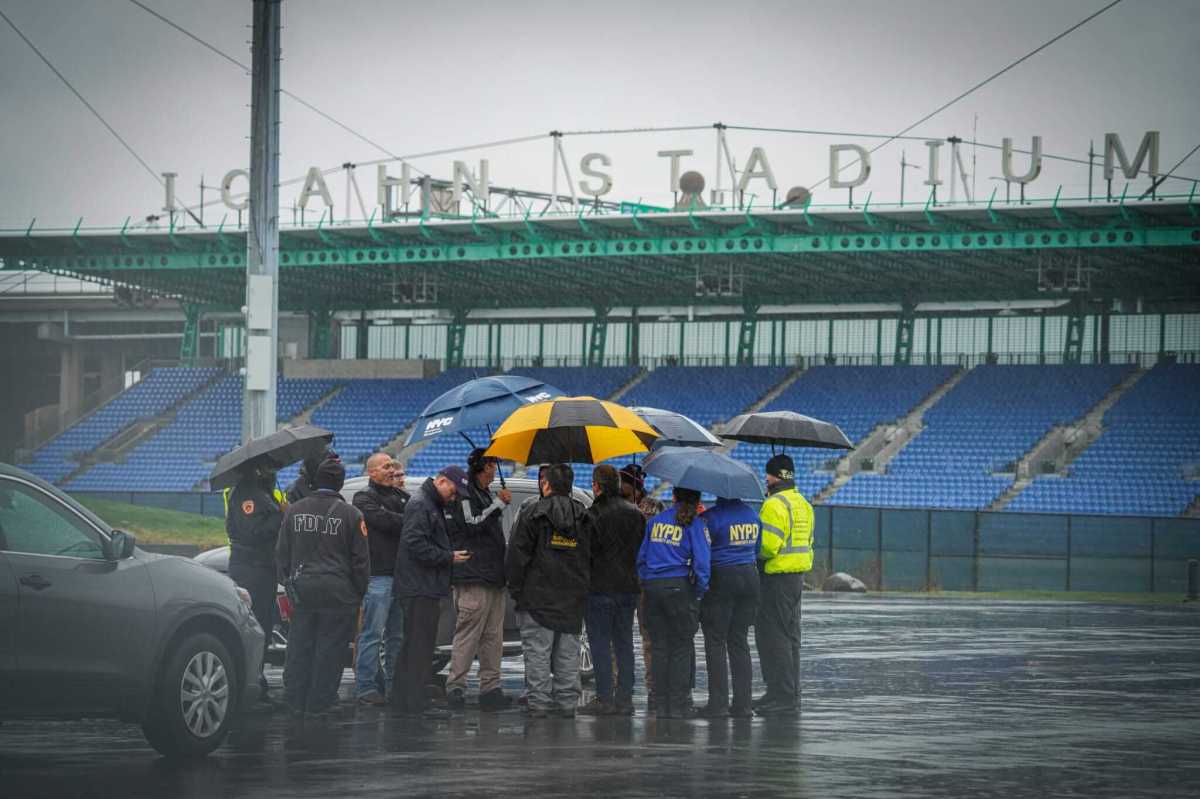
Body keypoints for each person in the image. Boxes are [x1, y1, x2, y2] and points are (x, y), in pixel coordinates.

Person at [275, 458, 370, 719]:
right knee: (330, 648)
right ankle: (321, 701)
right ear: (340, 482)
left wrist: (288, 582)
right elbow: (361, 561)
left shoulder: (294, 510)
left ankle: (294, 698)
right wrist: (359, 592)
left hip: (303, 589)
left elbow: (281, 554)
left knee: (299, 644)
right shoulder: (352, 515)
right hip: (338, 591)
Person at [505, 463, 591, 718]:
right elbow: (592, 557)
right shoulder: (584, 516)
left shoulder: (532, 513)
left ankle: (539, 703)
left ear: (546, 484)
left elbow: (516, 556)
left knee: (537, 655)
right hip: (572, 598)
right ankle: (567, 703)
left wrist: (517, 590)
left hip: (537, 598)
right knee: (567, 654)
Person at [392, 466, 472, 719]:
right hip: (419, 586)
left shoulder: (430, 503)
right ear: (440, 480)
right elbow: (414, 543)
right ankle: (415, 702)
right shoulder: (422, 504)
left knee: (414, 645)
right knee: (420, 646)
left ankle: (404, 698)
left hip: (422, 585)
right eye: (453, 489)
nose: (455, 496)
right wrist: (447, 557)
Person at [445, 448, 513, 712]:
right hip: (473, 576)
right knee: (468, 634)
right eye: (493, 464)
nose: (495, 469)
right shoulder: (464, 494)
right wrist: (498, 505)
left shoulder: (484, 493)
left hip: (493, 577)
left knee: (493, 637)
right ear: (483, 467)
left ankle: (490, 688)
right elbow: (472, 523)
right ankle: (456, 688)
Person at [637, 487, 710, 719]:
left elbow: (641, 559)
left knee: (658, 646)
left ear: (674, 497)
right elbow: (702, 565)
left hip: (653, 589)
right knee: (681, 646)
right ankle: (678, 704)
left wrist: (648, 582)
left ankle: (659, 702)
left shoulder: (655, 522)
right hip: (680, 588)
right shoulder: (695, 524)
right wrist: (698, 592)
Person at [579, 464, 645, 717]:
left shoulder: (591, 514)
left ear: (597, 486)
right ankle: (625, 698)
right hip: (628, 587)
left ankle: (605, 698)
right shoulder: (636, 513)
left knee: (600, 645)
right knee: (624, 643)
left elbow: (586, 553)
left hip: (599, 588)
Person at [753, 454, 814, 717]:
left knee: (772, 637)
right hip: (797, 577)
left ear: (774, 476)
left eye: (767, 475)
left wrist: (751, 551)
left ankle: (782, 696)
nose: (765, 480)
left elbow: (768, 547)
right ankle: (787, 693)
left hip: (775, 578)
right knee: (791, 638)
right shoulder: (803, 503)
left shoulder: (774, 504)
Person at [351, 452, 409, 705]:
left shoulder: (400, 496)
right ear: (371, 472)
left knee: (396, 636)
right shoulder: (363, 497)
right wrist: (404, 519)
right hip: (377, 577)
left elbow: (414, 518)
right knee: (371, 634)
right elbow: (383, 520)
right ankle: (365, 688)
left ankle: (394, 685)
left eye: (392, 466)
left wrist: (402, 516)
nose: (390, 470)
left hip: (401, 577)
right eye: (385, 466)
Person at [226, 457, 285, 702]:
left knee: (263, 623)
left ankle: (255, 677)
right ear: (257, 470)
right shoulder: (248, 495)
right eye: (269, 467)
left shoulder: (262, 493)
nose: (273, 472)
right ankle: (250, 682)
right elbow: (254, 532)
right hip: (252, 569)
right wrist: (279, 517)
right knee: (254, 624)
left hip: (263, 568)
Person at [698, 497, 761, 718]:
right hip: (750, 577)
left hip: (722, 577)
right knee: (739, 640)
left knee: (715, 640)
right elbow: (758, 548)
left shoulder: (711, 517)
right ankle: (743, 704)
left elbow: (703, 551)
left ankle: (718, 703)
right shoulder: (752, 515)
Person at [619, 463, 666, 713]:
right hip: (625, 579)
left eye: (623, 482)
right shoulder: (620, 506)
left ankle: (653, 688)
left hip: (646, 580)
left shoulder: (653, 508)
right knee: (622, 636)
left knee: (649, 637)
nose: (619, 487)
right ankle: (623, 687)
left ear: (633, 484)